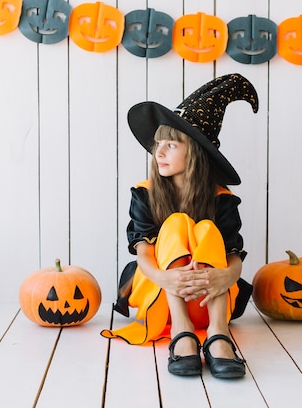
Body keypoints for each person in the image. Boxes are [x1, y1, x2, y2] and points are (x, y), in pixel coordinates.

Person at [101, 74, 259, 379]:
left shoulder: (222, 199)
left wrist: (225, 275)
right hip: (161, 300)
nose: (158, 152)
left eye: (170, 144)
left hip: (210, 296)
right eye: (158, 143)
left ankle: (218, 332)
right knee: (176, 223)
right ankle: (183, 333)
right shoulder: (145, 193)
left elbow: (233, 254)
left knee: (207, 230)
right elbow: (143, 254)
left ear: (196, 152)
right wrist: (167, 278)